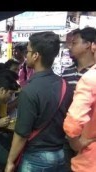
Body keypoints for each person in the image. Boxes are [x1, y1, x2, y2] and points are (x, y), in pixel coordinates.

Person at [5, 32, 73, 172]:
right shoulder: (65, 85)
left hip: (36, 159)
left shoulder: (29, 91)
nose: (26, 55)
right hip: (60, 155)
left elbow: (22, 133)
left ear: (35, 55)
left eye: (28, 51)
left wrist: (10, 161)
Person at [61, 27, 96, 172]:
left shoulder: (90, 76)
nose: (70, 46)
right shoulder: (67, 71)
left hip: (86, 142)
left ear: (89, 45)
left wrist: (75, 142)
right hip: (68, 138)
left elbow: (73, 120)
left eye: (74, 43)